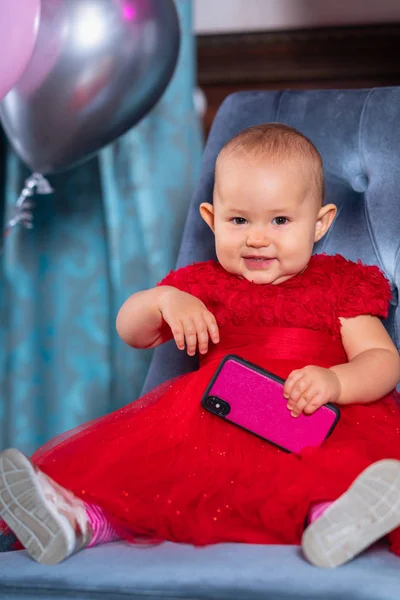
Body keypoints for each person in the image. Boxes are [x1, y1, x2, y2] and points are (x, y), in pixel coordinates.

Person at [1, 123, 400, 569]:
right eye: (239, 220)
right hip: (215, 424)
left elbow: (382, 360)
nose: (257, 237)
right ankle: (79, 520)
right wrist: (163, 300)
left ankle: (339, 520)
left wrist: (336, 382)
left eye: (281, 221)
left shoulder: (339, 285)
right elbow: (131, 331)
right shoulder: (201, 286)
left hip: (312, 418)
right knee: (145, 481)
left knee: (333, 469)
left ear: (320, 223)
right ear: (211, 219)